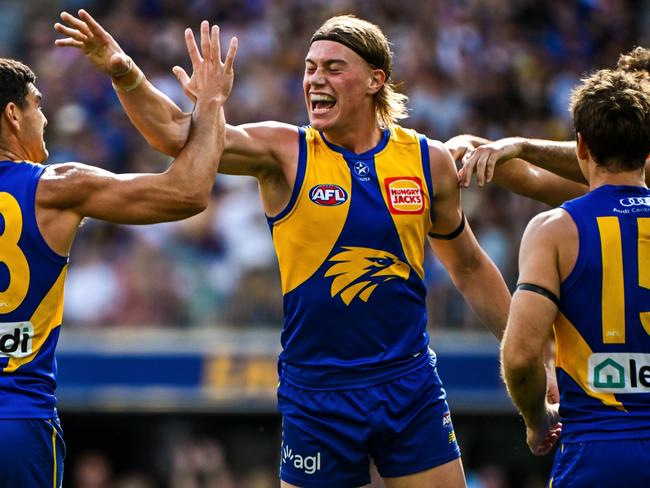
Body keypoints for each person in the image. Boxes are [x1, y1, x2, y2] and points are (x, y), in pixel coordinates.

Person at [55, 10, 511, 488]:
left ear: (376, 80)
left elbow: (471, 268)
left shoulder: (426, 160)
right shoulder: (284, 152)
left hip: (409, 382)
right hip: (318, 393)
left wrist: (527, 354)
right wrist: (122, 70)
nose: (316, 78)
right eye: (310, 68)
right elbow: (174, 133)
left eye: (334, 68)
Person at [0, 28, 236, 488]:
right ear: (13, 113)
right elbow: (187, 192)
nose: (44, 119)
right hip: (17, 421)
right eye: (39, 104)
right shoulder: (56, 187)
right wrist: (209, 101)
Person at [500, 69, 650, 487]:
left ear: (580, 145)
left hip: (595, 451)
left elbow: (520, 357)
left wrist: (537, 421)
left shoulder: (555, 229)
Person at [456, 47, 650, 194]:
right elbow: (534, 179)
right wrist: (473, 146)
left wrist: (523, 146)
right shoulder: (605, 189)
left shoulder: (552, 228)